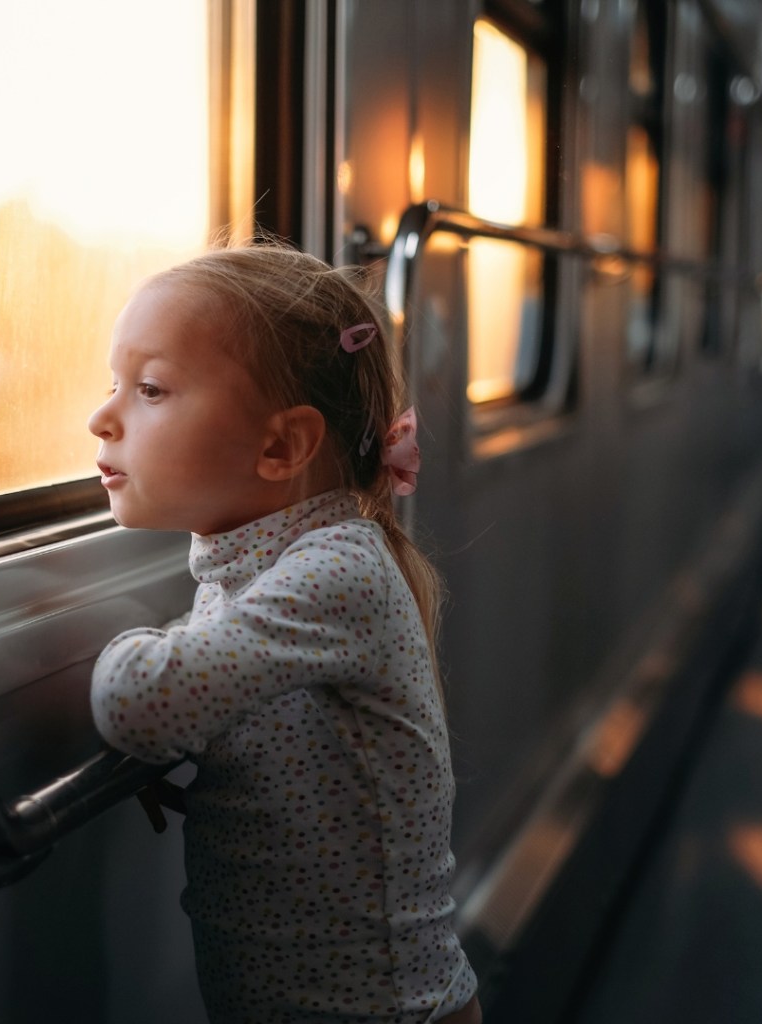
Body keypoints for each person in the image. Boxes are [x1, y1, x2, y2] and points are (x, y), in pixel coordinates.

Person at [88, 242, 481, 1024]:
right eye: (113, 387)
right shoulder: (253, 568)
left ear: (281, 446)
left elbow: (140, 702)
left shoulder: (337, 570)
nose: (101, 418)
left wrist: (110, 653)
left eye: (150, 389)